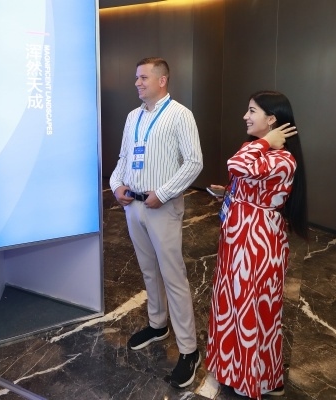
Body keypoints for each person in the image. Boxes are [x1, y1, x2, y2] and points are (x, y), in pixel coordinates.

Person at [205, 90, 309, 399]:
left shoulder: (282, 158)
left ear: (272, 119)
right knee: (233, 305)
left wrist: (266, 143)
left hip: (257, 242)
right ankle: (236, 371)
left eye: (252, 111)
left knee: (252, 309)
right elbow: (243, 176)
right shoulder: (257, 149)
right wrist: (230, 194)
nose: (245, 116)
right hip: (238, 238)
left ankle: (256, 378)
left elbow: (236, 164)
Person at [109, 57, 204, 388]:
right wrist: (116, 185)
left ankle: (189, 350)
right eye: (136, 77)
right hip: (133, 206)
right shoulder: (132, 117)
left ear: (162, 80)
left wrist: (163, 193)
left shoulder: (180, 115)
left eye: (143, 77)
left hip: (162, 207)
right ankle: (157, 324)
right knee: (148, 270)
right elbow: (124, 158)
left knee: (173, 276)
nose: (137, 82)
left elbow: (194, 163)